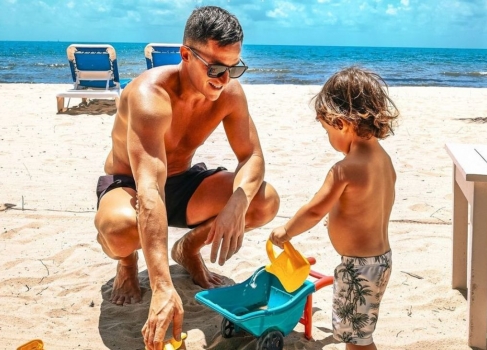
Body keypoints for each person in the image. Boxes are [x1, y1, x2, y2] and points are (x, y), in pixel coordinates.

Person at [93, 6, 280, 350]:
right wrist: (163, 287)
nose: (223, 79)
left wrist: (237, 202)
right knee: (121, 232)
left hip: (181, 182)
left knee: (263, 200)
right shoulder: (150, 96)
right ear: (185, 55)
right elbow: (149, 189)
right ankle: (126, 263)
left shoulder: (230, 94)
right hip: (132, 184)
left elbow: (251, 155)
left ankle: (189, 248)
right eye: (215, 68)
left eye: (233, 68)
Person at [269, 66, 399, 350]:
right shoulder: (383, 160)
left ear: (342, 123)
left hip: (358, 268)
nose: (329, 138)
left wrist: (285, 231)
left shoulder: (344, 169)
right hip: (381, 261)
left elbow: (315, 210)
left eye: (327, 130)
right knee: (360, 335)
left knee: (356, 341)